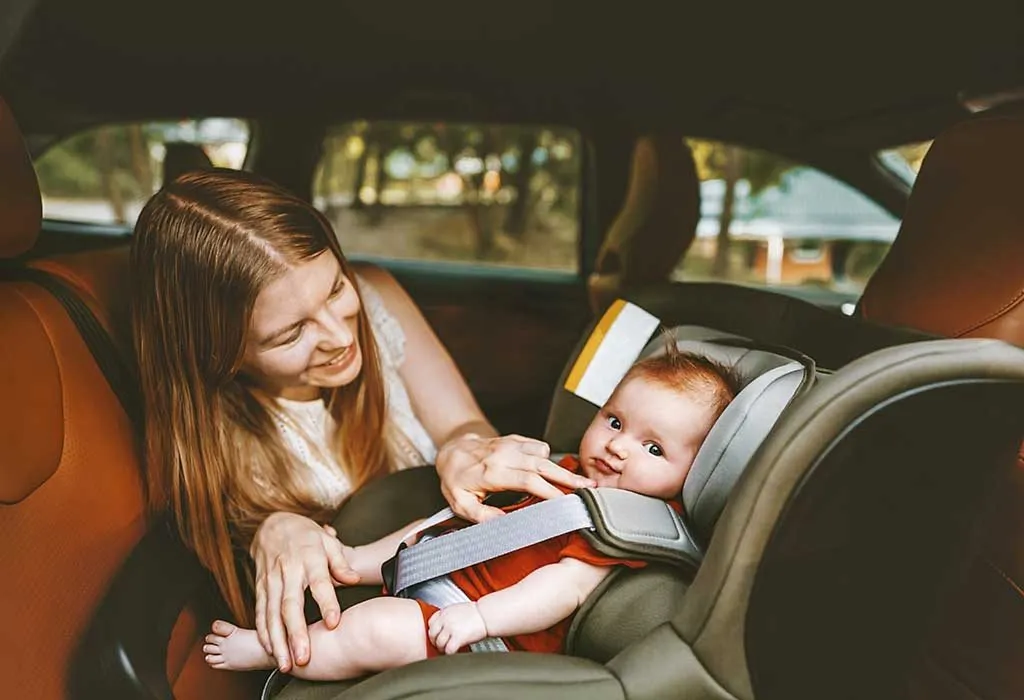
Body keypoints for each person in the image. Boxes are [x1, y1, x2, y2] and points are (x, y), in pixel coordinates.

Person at [130, 169, 596, 674]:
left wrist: (464, 450)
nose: (338, 335)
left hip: (489, 599)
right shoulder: (216, 430)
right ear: (220, 355)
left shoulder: (375, 296)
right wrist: (275, 526)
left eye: (334, 289)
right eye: (291, 334)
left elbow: (463, 425)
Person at [201, 349, 737, 679]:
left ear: (696, 473)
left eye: (653, 449)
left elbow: (563, 588)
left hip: (491, 633)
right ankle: (355, 560)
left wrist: (481, 619)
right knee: (438, 525)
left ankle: (276, 653)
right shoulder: (568, 467)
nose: (619, 447)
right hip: (450, 575)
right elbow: (456, 523)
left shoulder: (627, 524)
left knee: (376, 629)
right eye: (616, 422)